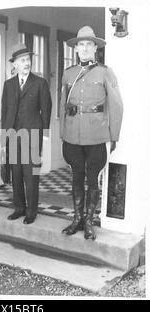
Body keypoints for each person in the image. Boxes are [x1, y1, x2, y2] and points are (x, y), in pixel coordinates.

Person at [60, 26, 123, 240]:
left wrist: (113, 136)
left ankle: (88, 221)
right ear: (76, 48)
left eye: (89, 44)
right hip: (73, 135)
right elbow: (63, 106)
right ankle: (77, 219)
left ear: (95, 48)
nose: (85, 48)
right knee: (76, 177)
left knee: (92, 178)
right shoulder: (68, 74)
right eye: (81, 44)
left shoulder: (105, 72)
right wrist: (63, 133)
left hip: (96, 135)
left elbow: (116, 106)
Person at [1, 43, 52, 224]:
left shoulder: (40, 83)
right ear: (14, 64)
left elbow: (46, 110)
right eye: (22, 60)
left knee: (31, 175)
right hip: (13, 137)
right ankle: (19, 208)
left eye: (28, 60)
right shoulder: (8, 85)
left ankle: (31, 212)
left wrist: (44, 137)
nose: (26, 63)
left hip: (32, 136)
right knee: (16, 174)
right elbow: (6, 112)